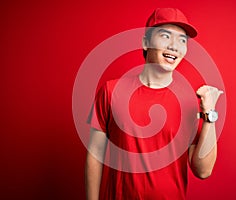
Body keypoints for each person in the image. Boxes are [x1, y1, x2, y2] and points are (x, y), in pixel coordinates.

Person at [85, 8, 223, 200]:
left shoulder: (189, 102)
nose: (174, 46)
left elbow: (203, 171)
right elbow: (95, 154)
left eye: (182, 40)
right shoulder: (111, 91)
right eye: (166, 36)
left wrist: (210, 114)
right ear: (145, 42)